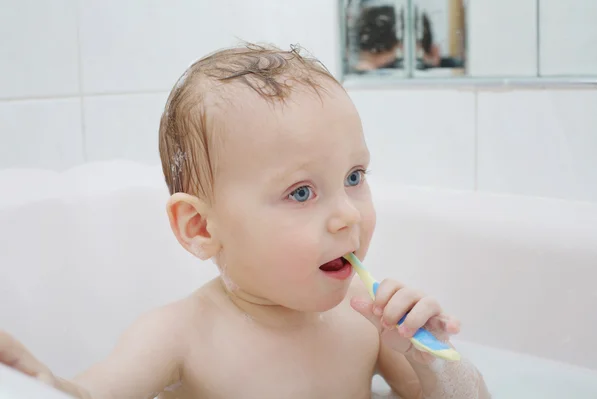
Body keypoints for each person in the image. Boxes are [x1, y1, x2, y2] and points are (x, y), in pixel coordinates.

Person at [0, 43, 490, 399]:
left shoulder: (365, 323)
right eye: (301, 192)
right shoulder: (181, 334)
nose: (346, 214)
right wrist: (37, 384)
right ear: (201, 228)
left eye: (354, 176)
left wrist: (433, 359)